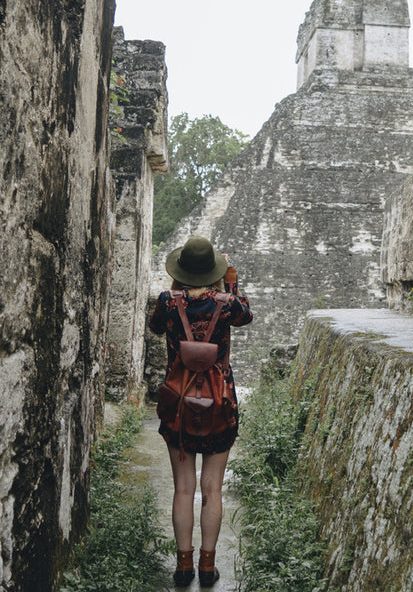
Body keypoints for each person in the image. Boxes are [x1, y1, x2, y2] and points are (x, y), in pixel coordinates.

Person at [149, 235, 252, 588]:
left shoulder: (166, 301)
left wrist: (176, 295)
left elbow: (154, 326)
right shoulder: (227, 305)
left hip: (177, 403)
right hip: (220, 405)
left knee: (182, 489)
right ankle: (207, 568)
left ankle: (183, 566)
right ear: (214, 271)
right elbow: (246, 314)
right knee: (212, 489)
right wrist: (233, 281)